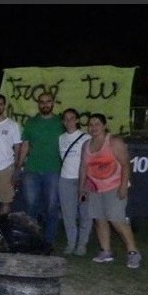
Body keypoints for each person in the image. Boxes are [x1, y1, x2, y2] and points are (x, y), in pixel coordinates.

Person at [78, 113, 141, 269]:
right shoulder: (86, 145)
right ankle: (106, 251)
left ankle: (133, 252)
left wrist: (123, 186)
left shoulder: (114, 142)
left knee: (116, 219)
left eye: (97, 124)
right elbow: (83, 167)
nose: (93, 128)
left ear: (105, 125)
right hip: (94, 188)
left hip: (114, 187)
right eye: (91, 124)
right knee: (99, 219)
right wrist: (82, 187)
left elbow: (126, 165)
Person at [20, 92, 65, 245]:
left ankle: (48, 241)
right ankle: (32, 240)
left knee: (52, 207)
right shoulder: (31, 122)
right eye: (42, 102)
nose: (45, 104)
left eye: (48, 101)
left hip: (53, 170)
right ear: (38, 104)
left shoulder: (61, 122)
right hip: (32, 169)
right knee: (30, 207)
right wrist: (18, 167)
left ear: (53, 103)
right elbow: (25, 145)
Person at [57, 108, 93, 256]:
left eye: (72, 118)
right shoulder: (61, 138)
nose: (69, 121)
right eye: (66, 118)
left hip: (84, 180)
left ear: (77, 120)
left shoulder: (86, 138)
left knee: (85, 213)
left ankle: (82, 244)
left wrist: (85, 182)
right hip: (65, 179)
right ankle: (71, 243)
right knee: (68, 214)